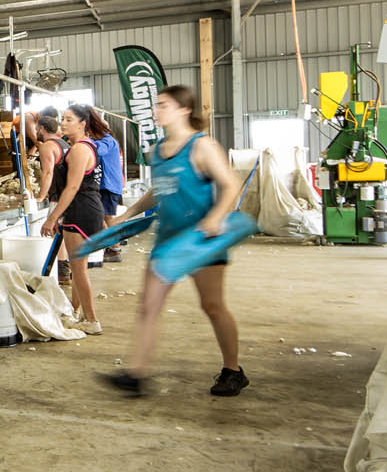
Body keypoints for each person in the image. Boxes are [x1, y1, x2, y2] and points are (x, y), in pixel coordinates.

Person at [103, 86, 247, 398]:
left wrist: (215, 218)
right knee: (148, 306)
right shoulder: (158, 150)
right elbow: (159, 189)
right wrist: (125, 215)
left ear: (184, 109)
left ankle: (233, 370)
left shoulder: (201, 147)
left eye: (163, 105)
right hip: (168, 241)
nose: (157, 110)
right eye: (156, 105)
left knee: (212, 305)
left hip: (201, 241)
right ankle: (136, 374)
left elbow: (230, 184)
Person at [39, 104, 107, 334]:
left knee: (79, 270)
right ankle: (77, 312)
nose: (64, 123)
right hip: (87, 209)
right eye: (63, 119)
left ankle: (91, 319)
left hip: (80, 211)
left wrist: (52, 217)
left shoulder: (79, 150)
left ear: (82, 123)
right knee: (80, 268)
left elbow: (72, 187)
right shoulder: (86, 146)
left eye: (69, 119)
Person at [88, 110, 127, 262]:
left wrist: (83, 140)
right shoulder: (105, 140)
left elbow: (97, 151)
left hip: (109, 186)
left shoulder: (107, 141)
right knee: (105, 216)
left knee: (108, 217)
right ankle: (112, 247)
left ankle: (115, 249)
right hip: (107, 185)